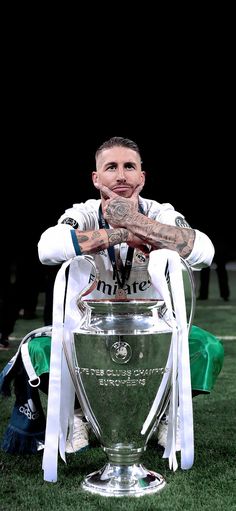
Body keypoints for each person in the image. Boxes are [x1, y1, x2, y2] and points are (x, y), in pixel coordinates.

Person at [1, 137, 224, 455]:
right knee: (37, 351)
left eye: (129, 166)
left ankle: (164, 414)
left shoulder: (160, 213)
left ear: (142, 177)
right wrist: (120, 233)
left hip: (151, 337)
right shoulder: (84, 213)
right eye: (111, 167)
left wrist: (135, 221)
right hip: (91, 334)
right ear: (96, 178)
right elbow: (47, 247)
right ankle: (79, 415)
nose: (121, 176)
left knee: (206, 348)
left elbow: (203, 251)